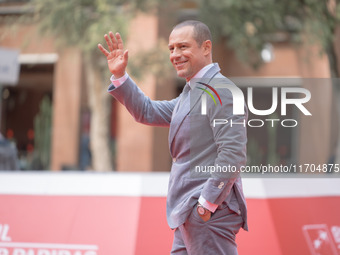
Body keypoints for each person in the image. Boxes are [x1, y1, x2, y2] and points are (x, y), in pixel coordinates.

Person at [98, 20, 248, 255]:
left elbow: (233, 154)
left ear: (206, 47)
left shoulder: (222, 91)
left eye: (183, 47)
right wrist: (120, 75)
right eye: (171, 49)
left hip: (207, 213)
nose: (175, 55)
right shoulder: (192, 92)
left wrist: (207, 203)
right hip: (188, 214)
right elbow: (147, 111)